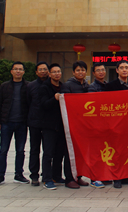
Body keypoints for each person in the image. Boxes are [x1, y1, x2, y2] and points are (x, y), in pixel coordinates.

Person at [0, 61, 30, 187]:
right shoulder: (5, 86)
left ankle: (19, 174)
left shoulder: (28, 86)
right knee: (3, 150)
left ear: (23, 72)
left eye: (20, 69)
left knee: (20, 150)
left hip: (22, 123)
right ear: (11, 71)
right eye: (16, 69)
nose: (18, 71)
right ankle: (0, 175)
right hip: (6, 123)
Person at [39, 63, 71, 190]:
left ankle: (56, 176)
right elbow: (44, 105)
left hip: (62, 125)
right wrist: (54, 98)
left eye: (59, 72)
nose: (57, 74)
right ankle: (47, 179)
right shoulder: (44, 87)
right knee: (48, 153)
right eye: (54, 72)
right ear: (49, 74)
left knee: (59, 153)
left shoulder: (64, 87)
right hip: (49, 126)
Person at [60, 61, 90, 189]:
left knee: (80, 152)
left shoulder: (87, 86)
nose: (80, 72)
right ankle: (69, 178)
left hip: (83, 124)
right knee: (70, 152)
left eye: (83, 70)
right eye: (78, 70)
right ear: (73, 72)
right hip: (72, 124)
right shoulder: (67, 85)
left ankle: (78, 176)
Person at [26, 61, 49, 186]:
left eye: (45, 69)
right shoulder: (31, 86)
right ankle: (34, 175)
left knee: (48, 150)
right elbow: (27, 103)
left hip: (48, 123)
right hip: (34, 122)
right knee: (34, 149)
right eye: (40, 69)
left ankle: (47, 174)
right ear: (36, 72)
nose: (43, 71)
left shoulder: (52, 84)